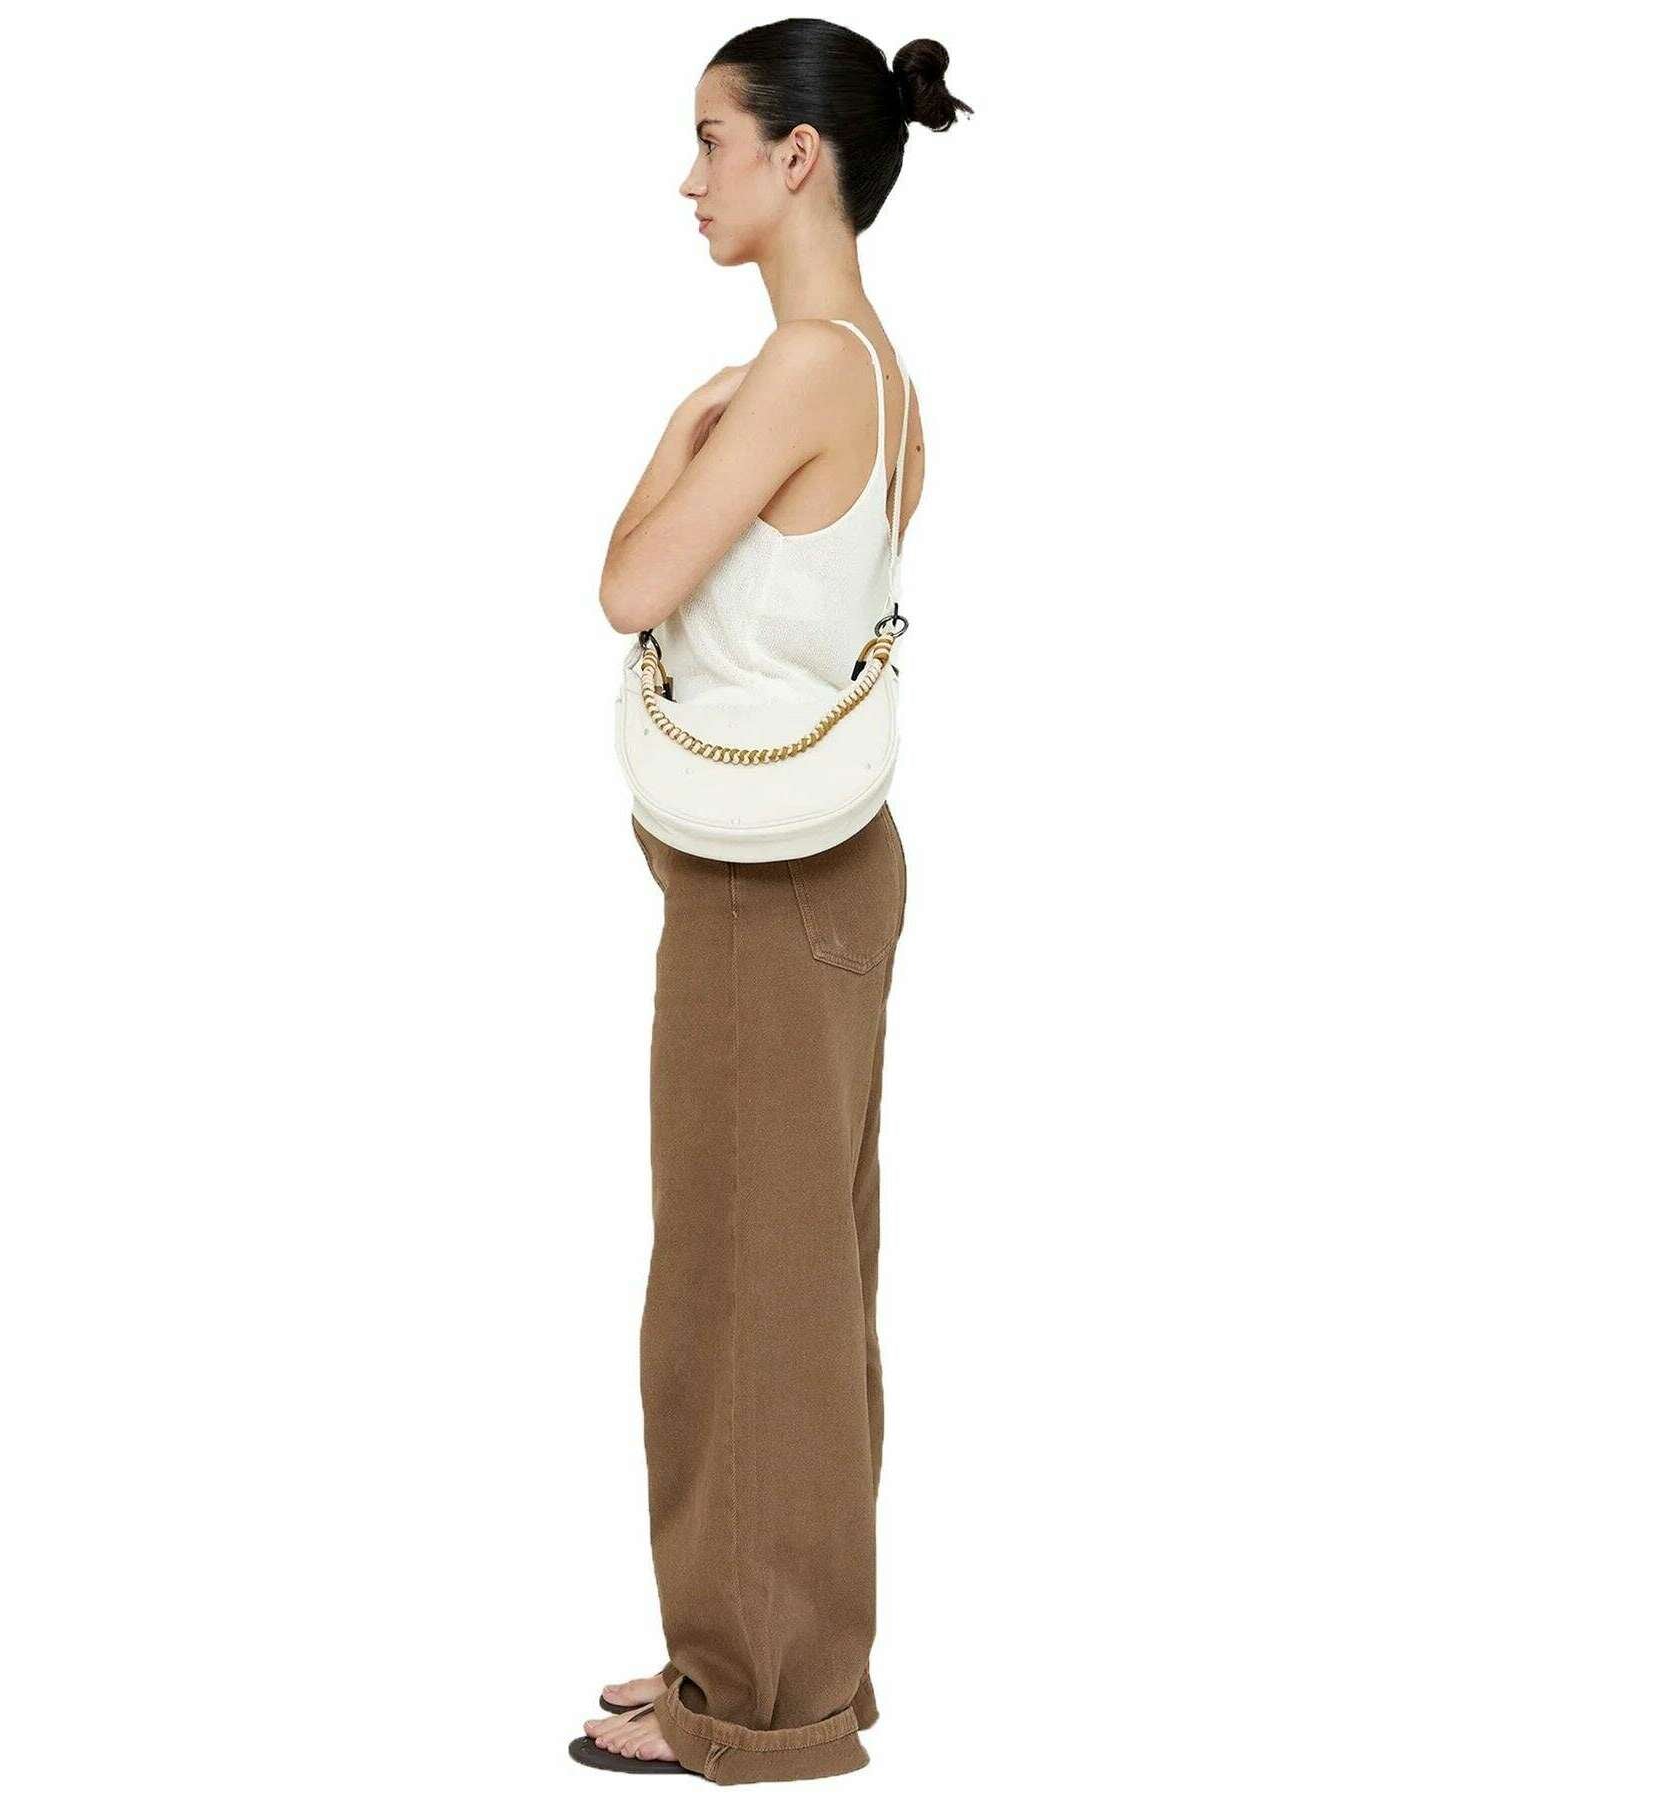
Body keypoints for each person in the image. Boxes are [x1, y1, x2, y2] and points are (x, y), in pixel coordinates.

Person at [580, 20, 971, 1784]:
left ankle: (752, 1706)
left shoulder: (801, 370)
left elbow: (628, 588)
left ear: (797, 157)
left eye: (713, 139)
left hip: (768, 891)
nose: (690, 178)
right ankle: (766, 1662)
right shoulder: (880, 367)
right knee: (791, 1284)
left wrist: (674, 440)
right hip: (819, 882)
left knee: (740, 1298)